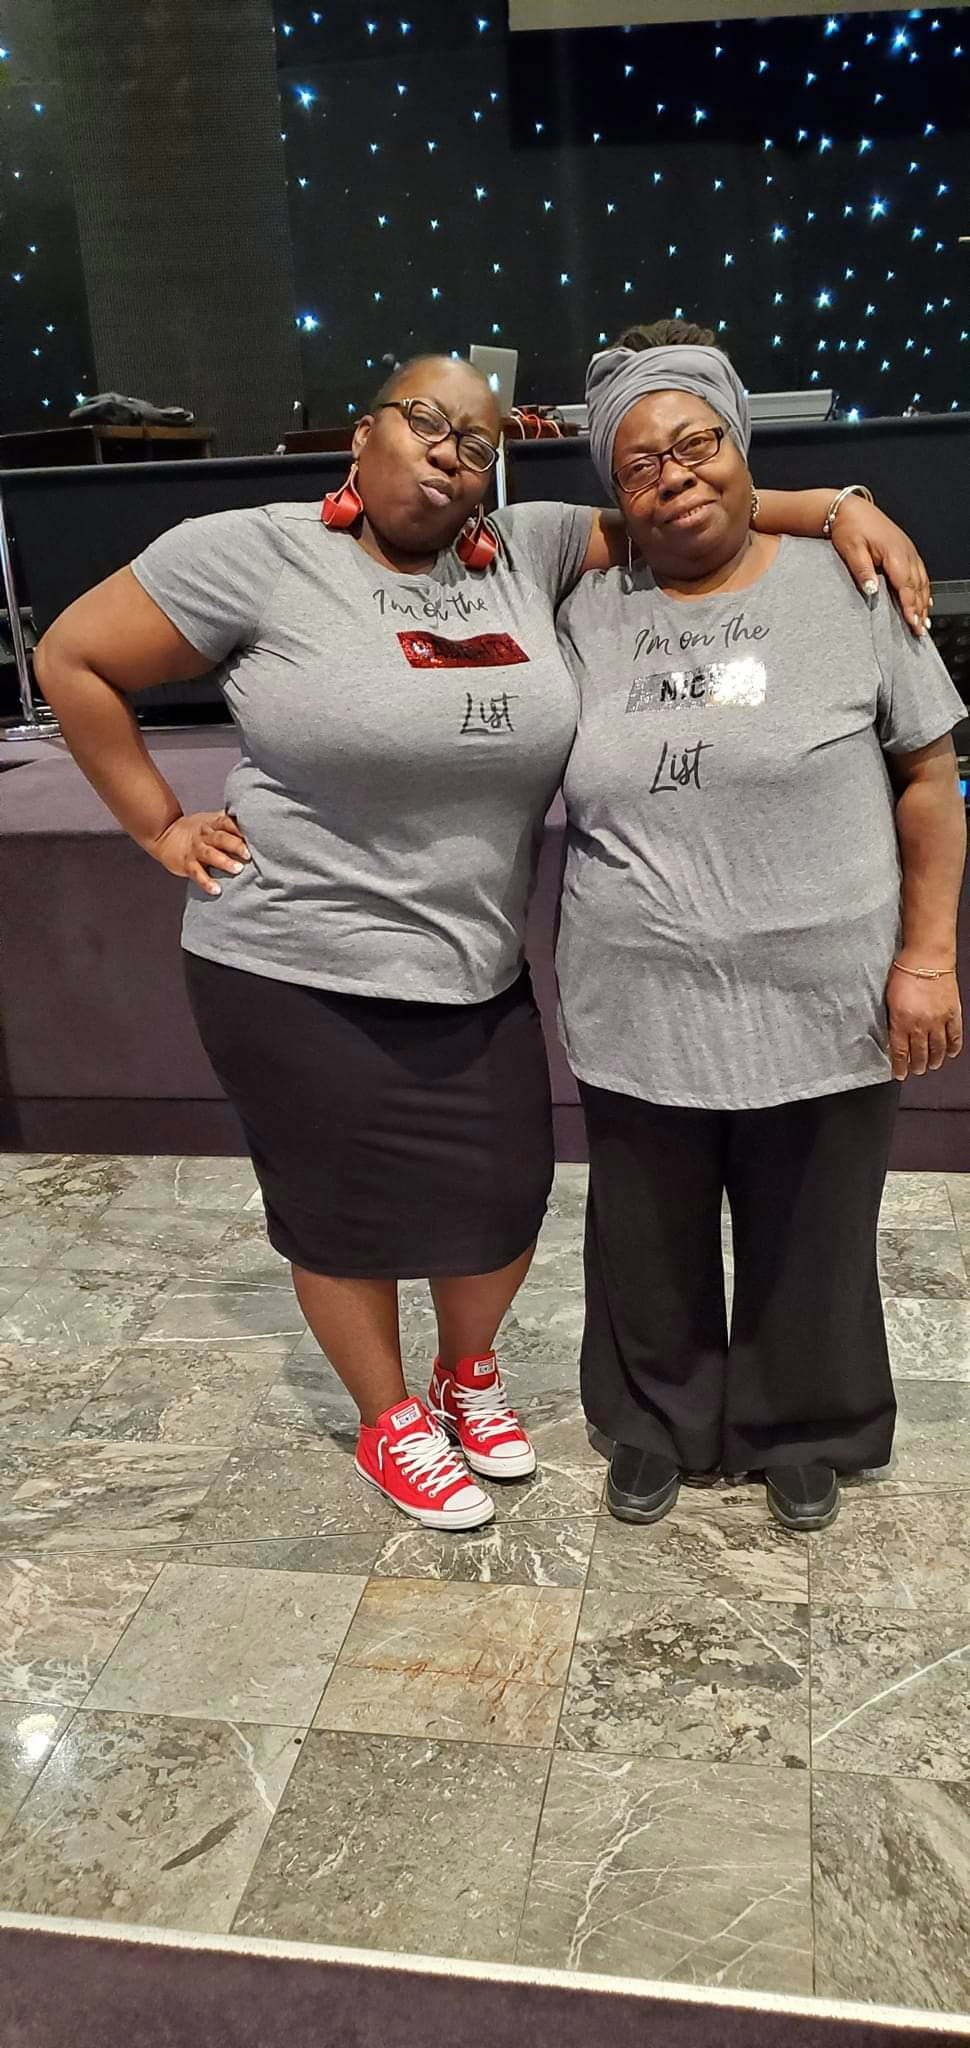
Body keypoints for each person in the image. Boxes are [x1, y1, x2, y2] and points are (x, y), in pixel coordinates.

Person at [35, 351, 932, 1534]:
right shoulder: (254, 550)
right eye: (426, 423)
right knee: (341, 1208)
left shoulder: (524, 548)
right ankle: (389, 1417)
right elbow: (72, 656)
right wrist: (158, 822)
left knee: (505, 1196)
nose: (451, 454)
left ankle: (469, 1375)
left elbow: (681, 503)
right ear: (363, 434)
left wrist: (837, 506)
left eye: (477, 440)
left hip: (473, 958)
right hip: (294, 957)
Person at [554, 341, 965, 1533]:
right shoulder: (581, 606)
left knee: (813, 1223)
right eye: (640, 463)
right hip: (637, 990)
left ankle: (803, 1422)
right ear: (615, 493)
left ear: (742, 448)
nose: (674, 475)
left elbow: (928, 781)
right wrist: (834, 496)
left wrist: (927, 955)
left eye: (698, 444)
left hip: (822, 988)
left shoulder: (848, 584)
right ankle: (658, 1418)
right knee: (645, 1231)